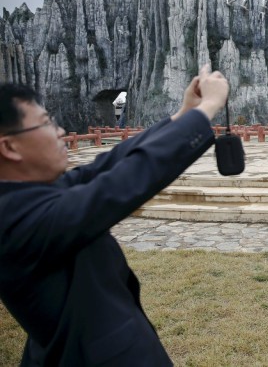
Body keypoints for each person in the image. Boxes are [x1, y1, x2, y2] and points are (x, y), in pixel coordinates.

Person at [0, 65, 229, 365]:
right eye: (45, 123)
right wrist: (208, 109)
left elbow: (106, 166)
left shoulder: (27, 198)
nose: (60, 131)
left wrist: (185, 114)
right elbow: (121, 184)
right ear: (9, 147)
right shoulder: (13, 220)